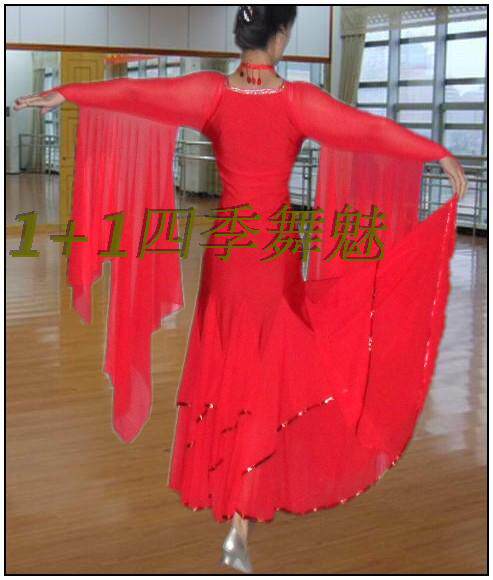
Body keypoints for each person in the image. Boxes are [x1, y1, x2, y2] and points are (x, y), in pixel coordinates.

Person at [15, 5, 467, 574]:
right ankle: (241, 520)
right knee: (267, 375)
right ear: (280, 38)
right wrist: (435, 152)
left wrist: (69, 94)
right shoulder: (297, 100)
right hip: (273, 256)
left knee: (231, 369)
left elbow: (135, 94)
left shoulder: (210, 92)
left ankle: (237, 512)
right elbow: (367, 130)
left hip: (229, 257)